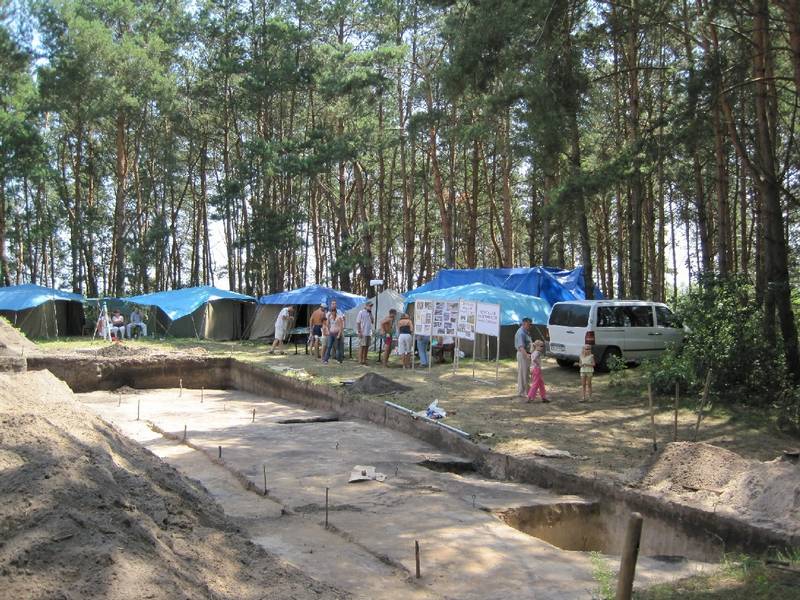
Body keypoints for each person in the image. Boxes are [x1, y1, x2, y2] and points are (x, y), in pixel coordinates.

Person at [515, 318, 533, 397]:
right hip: (523, 354)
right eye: (529, 324)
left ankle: (527, 390)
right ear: (524, 324)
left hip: (526, 354)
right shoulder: (521, 333)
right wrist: (527, 355)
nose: (530, 326)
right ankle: (522, 392)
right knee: (523, 374)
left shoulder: (526, 331)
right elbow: (521, 347)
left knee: (526, 373)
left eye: (531, 324)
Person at [356, 301, 374, 366]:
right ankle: (360, 360)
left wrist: (371, 314)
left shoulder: (370, 313)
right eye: (369, 306)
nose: (370, 307)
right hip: (363, 332)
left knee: (366, 347)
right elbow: (358, 322)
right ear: (366, 306)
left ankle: (364, 360)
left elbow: (372, 321)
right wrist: (359, 332)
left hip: (368, 332)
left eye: (371, 306)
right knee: (362, 346)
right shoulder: (361, 312)